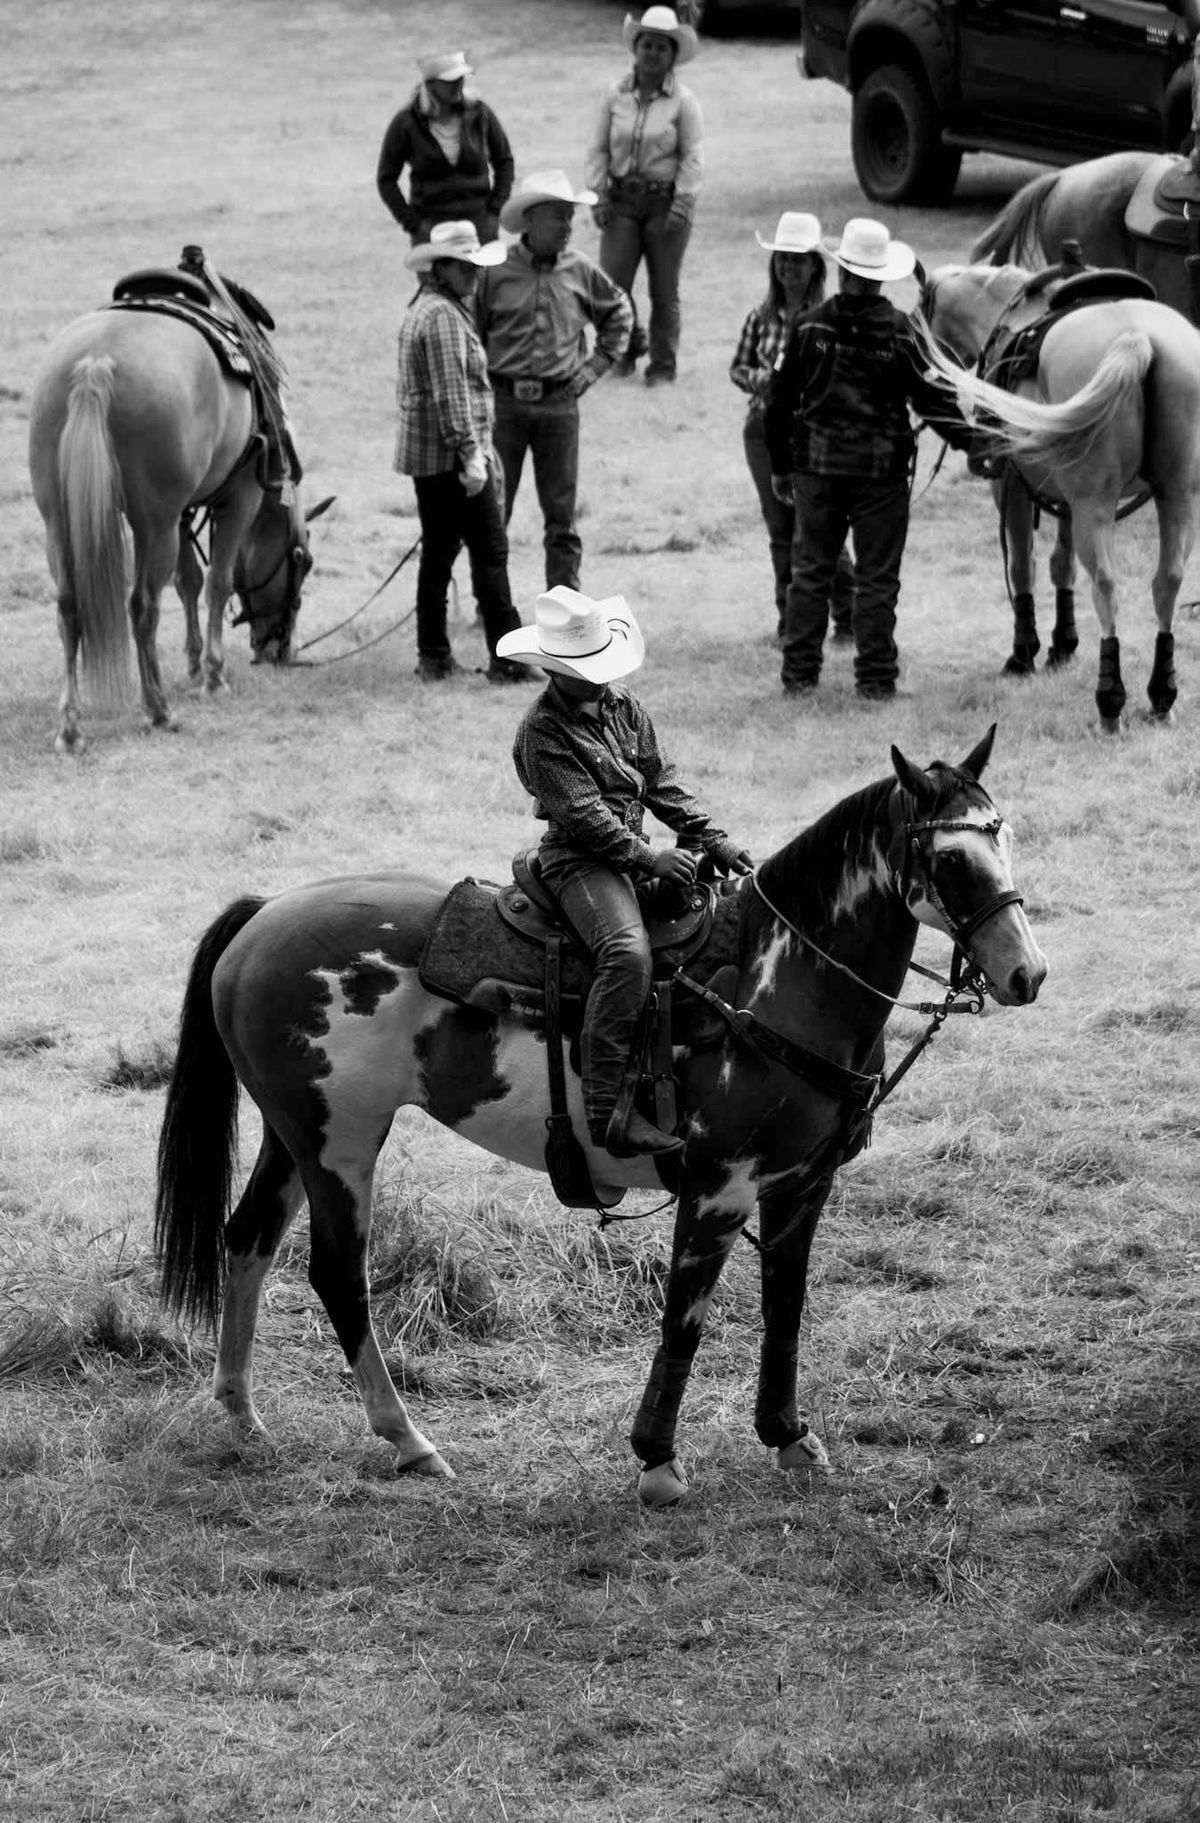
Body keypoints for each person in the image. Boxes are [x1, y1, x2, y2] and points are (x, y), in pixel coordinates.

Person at [497, 586, 753, 1157]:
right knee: (625, 952)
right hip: (579, 861)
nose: (599, 677)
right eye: (586, 668)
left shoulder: (623, 705)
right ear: (555, 670)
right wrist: (650, 857)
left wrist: (712, 835)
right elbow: (586, 819)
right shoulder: (541, 731)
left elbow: (660, 781)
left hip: (627, 850)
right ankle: (607, 1108)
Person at [764, 218, 975, 701]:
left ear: (841, 272)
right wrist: (974, 443)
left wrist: (780, 466)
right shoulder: (903, 333)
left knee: (812, 572)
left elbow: (778, 402)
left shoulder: (809, 325)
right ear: (881, 275)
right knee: (878, 579)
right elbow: (932, 402)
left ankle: (799, 676)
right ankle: (876, 679)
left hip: (817, 470)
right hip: (880, 475)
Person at [474, 170, 635, 593]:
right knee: (493, 511)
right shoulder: (494, 272)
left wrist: (594, 367)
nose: (567, 226)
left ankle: (564, 604)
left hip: (559, 405)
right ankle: (489, 604)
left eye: (570, 217)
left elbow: (620, 312)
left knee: (561, 517)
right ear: (530, 221)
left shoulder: (580, 269)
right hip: (503, 406)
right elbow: (471, 333)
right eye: (558, 217)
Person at [393, 221, 535, 684]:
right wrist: (472, 455)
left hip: (435, 459)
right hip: (453, 460)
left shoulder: (431, 310)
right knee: (489, 552)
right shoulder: (444, 318)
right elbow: (453, 394)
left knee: (439, 554)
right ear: (443, 269)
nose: (474, 275)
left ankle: (434, 655)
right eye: (465, 267)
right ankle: (507, 657)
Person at [730, 212, 854, 645]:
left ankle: (845, 617)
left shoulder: (828, 321)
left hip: (814, 432)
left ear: (815, 267)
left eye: (797, 260)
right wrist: (757, 380)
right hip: (764, 430)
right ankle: (790, 619)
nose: (788, 267)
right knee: (781, 529)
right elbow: (738, 367)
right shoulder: (760, 317)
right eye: (782, 259)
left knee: (820, 526)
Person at [585, 6, 703, 387]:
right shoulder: (614, 95)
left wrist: (683, 203)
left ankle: (663, 366)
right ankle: (629, 346)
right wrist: (597, 195)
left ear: (672, 56)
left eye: (660, 47)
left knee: (663, 289)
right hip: (620, 199)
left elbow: (692, 156)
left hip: (664, 201)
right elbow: (598, 148)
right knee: (613, 284)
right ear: (635, 49)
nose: (652, 53)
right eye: (646, 45)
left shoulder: (684, 101)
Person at [376, 50, 514, 245]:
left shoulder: (480, 113)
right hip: (431, 228)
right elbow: (386, 179)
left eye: (461, 79)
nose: (458, 85)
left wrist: (493, 212)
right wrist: (413, 224)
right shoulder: (406, 122)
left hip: (479, 226)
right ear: (431, 85)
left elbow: (504, 162)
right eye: (449, 81)